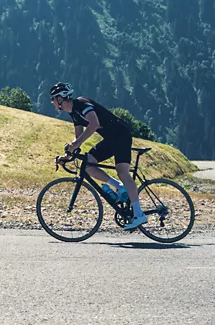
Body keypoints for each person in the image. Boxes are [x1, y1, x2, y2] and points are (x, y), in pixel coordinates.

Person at [49, 82, 147, 230]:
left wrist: (75, 145)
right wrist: (67, 156)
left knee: (122, 173)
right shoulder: (74, 114)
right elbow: (78, 140)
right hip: (111, 138)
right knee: (89, 164)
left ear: (60, 98)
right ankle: (120, 188)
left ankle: (138, 214)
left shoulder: (81, 104)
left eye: (53, 99)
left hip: (120, 135)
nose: (52, 103)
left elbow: (94, 124)